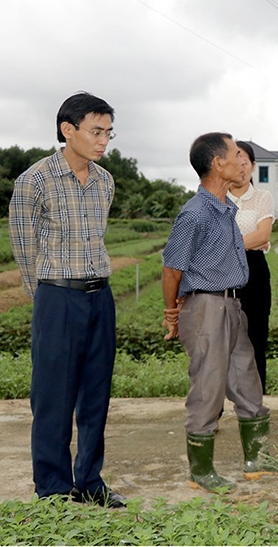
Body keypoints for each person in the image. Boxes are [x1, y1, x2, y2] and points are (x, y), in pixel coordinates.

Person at [8, 92, 125, 508]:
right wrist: (47, 296)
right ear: (68, 130)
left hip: (100, 297)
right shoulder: (34, 180)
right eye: (96, 132)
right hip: (57, 297)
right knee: (53, 397)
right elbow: (23, 247)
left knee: (96, 394)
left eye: (108, 133)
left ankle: (90, 482)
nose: (103, 141)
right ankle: (54, 490)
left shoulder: (105, 180)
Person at [162, 132, 275, 492]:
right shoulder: (194, 214)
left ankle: (255, 459)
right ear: (217, 164)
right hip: (206, 305)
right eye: (234, 155)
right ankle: (201, 471)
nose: (242, 162)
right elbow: (172, 269)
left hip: (232, 303)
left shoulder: (226, 208)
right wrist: (172, 312)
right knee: (208, 386)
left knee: (246, 376)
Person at [228, 141, 275, 392]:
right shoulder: (215, 197)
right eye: (234, 161)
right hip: (220, 273)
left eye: (244, 161)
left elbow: (262, 236)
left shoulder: (262, 197)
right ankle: (216, 406)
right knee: (221, 339)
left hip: (254, 270)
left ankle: (254, 403)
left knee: (256, 337)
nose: (240, 167)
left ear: (253, 166)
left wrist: (224, 244)